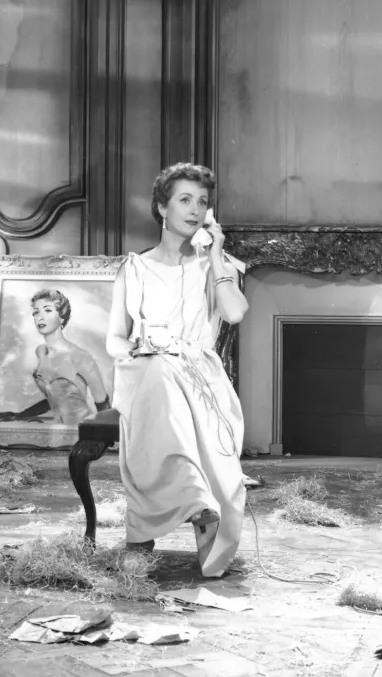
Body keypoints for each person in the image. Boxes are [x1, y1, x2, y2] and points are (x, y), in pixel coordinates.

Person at [106, 162, 249, 578]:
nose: (195, 209)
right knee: (157, 374)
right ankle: (195, 510)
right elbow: (114, 338)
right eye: (184, 200)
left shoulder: (215, 266)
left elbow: (235, 313)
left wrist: (216, 255)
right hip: (145, 373)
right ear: (161, 207)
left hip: (198, 378)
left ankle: (158, 526)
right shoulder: (134, 268)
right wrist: (137, 353)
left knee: (166, 379)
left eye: (202, 202)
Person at [0, 289, 111, 425]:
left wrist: (101, 435)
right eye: (36, 312)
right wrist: (20, 415)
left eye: (47, 310)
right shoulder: (41, 352)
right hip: (58, 430)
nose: (40, 317)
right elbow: (56, 399)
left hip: (80, 429)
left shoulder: (80, 357)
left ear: (62, 317)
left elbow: (103, 407)